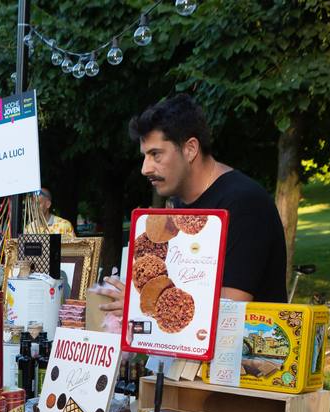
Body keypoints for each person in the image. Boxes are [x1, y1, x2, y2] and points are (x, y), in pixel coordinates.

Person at [103, 94, 288, 308]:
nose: (145, 169)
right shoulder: (179, 204)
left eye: (156, 154)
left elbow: (230, 309)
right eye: (145, 156)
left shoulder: (244, 203)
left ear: (190, 149)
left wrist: (140, 304)